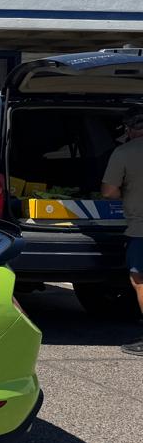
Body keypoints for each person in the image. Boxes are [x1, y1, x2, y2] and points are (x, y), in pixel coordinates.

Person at [102, 107, 143, 353]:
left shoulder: (124, 152)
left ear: (129, 130)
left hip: (140, 229)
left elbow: (109, 191)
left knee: (140, 280)